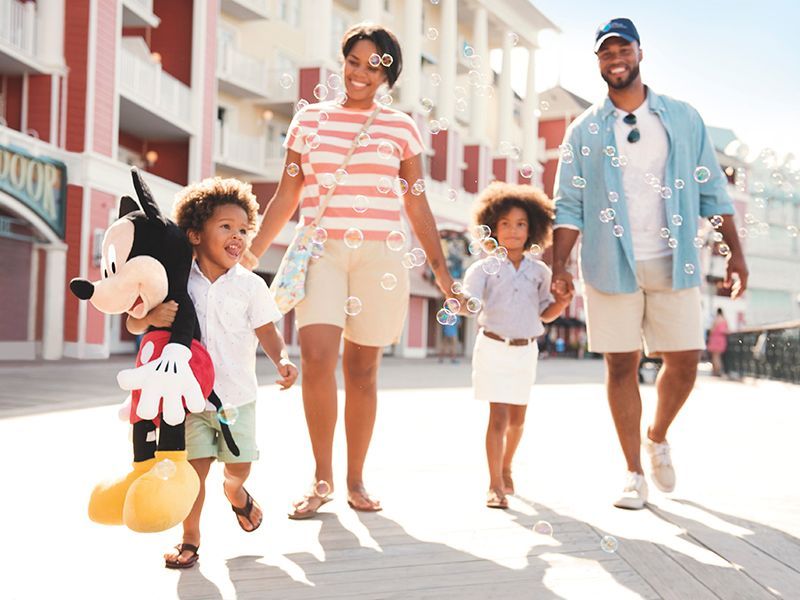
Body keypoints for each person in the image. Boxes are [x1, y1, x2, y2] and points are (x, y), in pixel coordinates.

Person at [249, 23, 454, 518]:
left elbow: (417, 204)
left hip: (380, 256)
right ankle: (321, 479)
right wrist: (249, 257)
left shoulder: (402, 128)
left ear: (389, 76)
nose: (361, 73)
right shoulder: (308, 122)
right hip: (322, 250)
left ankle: (355, 480)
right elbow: (286, 195)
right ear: (342, 62)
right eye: (354, 61)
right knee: (318, 357)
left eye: (374, 65)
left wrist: (443, 273)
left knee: (362, 370)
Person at [551, 18, 748, 509]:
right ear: (598, 61)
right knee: (621, 364)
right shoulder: (584, 130)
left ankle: (656, 435)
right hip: (607, 260)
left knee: (683, 363)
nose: (614, 58)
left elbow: (711, 190)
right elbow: (569, 204)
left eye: (623, 49)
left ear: (640, 53)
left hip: (673, 256)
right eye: (605, 52)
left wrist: (735, 256)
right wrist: (558, 265)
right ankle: (632, 473)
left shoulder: (681, 117)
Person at [128, 178, 299, 568]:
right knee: (192, 476)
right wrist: (151, 316)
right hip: (189, 400)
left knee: (238, 469)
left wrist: (283, 360)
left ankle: (236, 493)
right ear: (194, 234)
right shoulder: (175, 282)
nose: (237, 236)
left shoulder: (251, 286)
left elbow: (267, 331)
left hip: (237, 397)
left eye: (243, 229)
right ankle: (190, 540)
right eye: (225, 227)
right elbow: (136, 324)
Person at [462, 182, 573, 509]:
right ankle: (495, 483)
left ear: (533, 229)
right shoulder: (482, 268)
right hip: (493, 347)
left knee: (517, 420)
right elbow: (469, 300)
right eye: (505, 223)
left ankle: (507, 464)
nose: (513, 230)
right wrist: (460, 302)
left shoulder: (540, 271)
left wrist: (563, 303)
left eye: (521, 224)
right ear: (492, 227)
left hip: (525, 350)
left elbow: (546, 313)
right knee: (498, 418)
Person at [707, 308, 729, 376]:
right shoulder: (724, 320)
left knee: (715, 356)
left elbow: (711, 330)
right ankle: (718, 370)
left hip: (715, 339)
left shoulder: (715, 320)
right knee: (718, 356)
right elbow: (727, 330)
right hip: (722, 339)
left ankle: (716, 371)